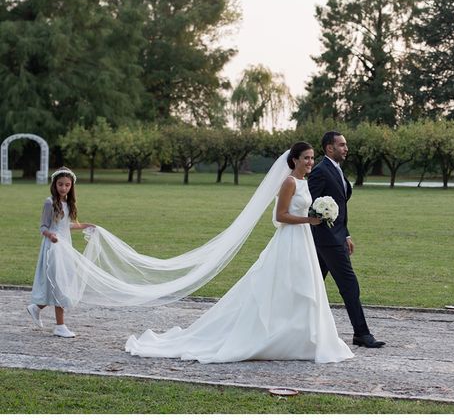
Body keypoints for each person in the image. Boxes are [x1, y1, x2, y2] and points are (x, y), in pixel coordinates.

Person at [125, 142, 354, 363]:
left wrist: (321, 216)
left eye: (312, 158)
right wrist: (309, 219)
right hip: (290, 239)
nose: (310, 162)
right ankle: (276, 335)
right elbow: (280, 216)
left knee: (303, 284)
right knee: (284, 283)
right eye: (306, 158)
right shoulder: (289, 183)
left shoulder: (305, 182)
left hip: (303, 239)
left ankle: (302, 337)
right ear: (294, 160)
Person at [308, 131, 385, 348]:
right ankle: (362, 333)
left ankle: (294, 328)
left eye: (345, 145)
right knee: (349, 285)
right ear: (329, 148)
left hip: (337, 236)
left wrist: (346, 233)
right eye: (341, 145)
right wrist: (329, 230)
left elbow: (338, 209)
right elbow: (311, 206)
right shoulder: (320, 172)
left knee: (312, 287)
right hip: (327, 240)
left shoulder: (337, 170)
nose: (346, 148)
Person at [26, 167, 94, 338]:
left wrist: (86, 225)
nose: (63, 188)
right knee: (61, 284)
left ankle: (36, 307)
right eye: (60, 184)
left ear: (71, 187)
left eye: (67, 185)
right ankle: (60, 325)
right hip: (53, 247)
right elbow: (43, 226)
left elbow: (66, 226)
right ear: (54, 184)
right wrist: (51, 235)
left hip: (65, 247)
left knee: (61, 282)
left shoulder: (68, 204)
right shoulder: (49, 202)